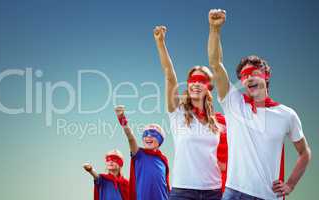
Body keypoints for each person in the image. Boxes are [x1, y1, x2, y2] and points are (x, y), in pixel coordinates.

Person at [208, 8, 312, 200]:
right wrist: (215, 30)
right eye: (244, 76)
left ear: (267, 76)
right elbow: (215, 63)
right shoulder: (234, 103)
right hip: (232, 193)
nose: (248, 79)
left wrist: (290, 184)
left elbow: (304, 153)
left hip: (267, 196)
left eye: (254, 73)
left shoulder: (287, 114)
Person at [154, 25, 228, 200]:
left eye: (201, 80)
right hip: (183, 191)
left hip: (214, 191)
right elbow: (169, 76)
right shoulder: (177, 112)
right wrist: (160, 43)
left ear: (209, 87)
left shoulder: (217, 123)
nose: (195, 83)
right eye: (192, 80)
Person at [115, 105, 170, 200]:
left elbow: (166, 183)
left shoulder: (163, 159)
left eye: (153, 134)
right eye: (145, 134)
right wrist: (123, 121)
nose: (148, 137)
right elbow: (130, 138)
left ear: (160, 140)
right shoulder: (139, 154)